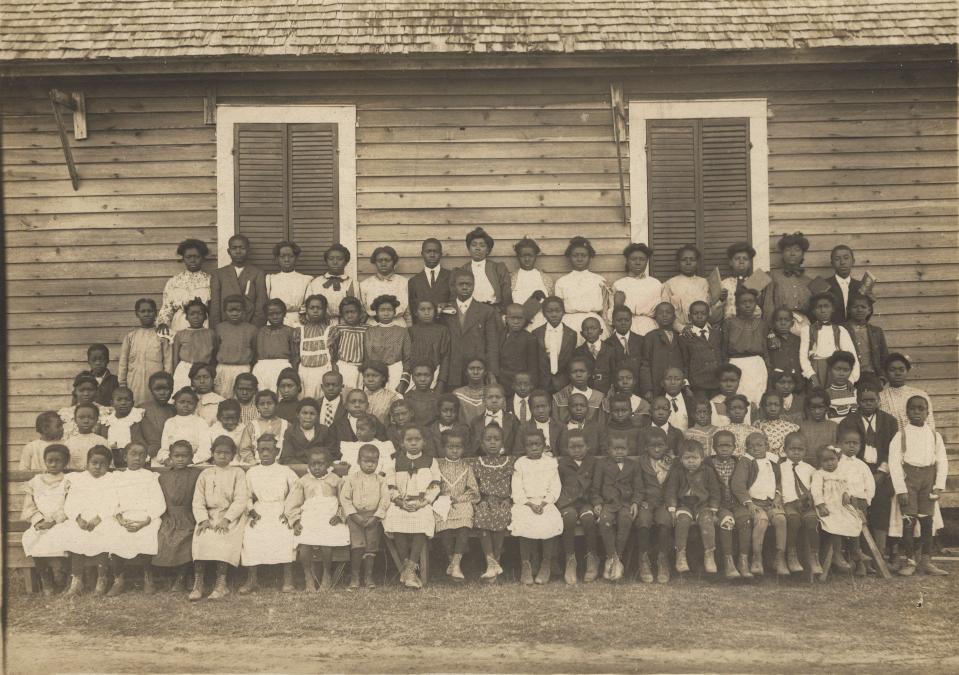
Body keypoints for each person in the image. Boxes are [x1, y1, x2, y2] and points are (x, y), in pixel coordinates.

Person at [838, 379, 898, 561]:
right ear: (858, 401)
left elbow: (892, 450)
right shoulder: (847, 422)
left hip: (881, 472)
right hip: (855, 471)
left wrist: (881, 471)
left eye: (872, 400)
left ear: (878, 400)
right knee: (856, 504)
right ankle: (858, 552)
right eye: (864, 401)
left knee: (881, 500)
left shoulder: (889, 421)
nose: (868, 404)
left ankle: (879, 551)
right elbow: (844, 452)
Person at [888, 395, 949, 576]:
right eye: (913, 408)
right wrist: (901, 489)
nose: (917, 412)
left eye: (921, 408)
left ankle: (926, 560)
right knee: (909, 521)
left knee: (927, 520)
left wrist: (939, 485)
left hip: (928, 480)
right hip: (909, 480)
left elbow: (942, 461)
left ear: (927, 412)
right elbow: (894, 463)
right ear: (907, 412)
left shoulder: (934, 435)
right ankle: (910, 561)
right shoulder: (901, 435)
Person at [189, 435, 249, 601]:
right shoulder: (205, 474)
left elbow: (241, 499)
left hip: (230, 517)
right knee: (202, 538)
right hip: (208, 516)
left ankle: (221, 584)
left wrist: (227, 519)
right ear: (212, 453)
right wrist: (202, 519)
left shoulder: (238, 472)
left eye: (227, 453)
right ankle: (198, 583)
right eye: (218, 452)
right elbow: (198, 500)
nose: (222, 456)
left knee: (223, 539)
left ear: (233, 454)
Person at [104, 442, 166, 596]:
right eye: (133, 454)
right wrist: (119, 519)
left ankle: (147, 577)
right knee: (115, 533)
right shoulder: (117, 477)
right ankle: (119, 579)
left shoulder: (151, 477)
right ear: (125, 457)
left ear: (146, 458)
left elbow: (159, 502)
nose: (137, 458)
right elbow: (112, 500)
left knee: (148, 534)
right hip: (123, 517)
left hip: (146, 517)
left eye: (141, 455)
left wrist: (145, 521)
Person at [383, 425, 441, 589]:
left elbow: (436, 484)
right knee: (396, 520)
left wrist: (424, 502)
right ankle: (409, 570)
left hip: (422, 504)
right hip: (401, 503)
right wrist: (401, 502)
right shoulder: (395, 461)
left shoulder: (431, 461)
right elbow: (389, 485)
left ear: (424, 442)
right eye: (409, 440)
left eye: (417, 439)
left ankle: (409, 568)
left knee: (423, 521)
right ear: (402, 443)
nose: (413, 443)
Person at [291, 448, 351, 592]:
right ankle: (308, 577)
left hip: (329, 517)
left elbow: (345, 500)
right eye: (313, 464)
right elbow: (294, 503)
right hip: (310, 517)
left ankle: (326, 574)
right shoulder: (303, 481)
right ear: (308, 465)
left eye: (321, 464)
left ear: (328, 464)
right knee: (304, 543)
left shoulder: (336, 480)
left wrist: (339, 515)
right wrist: (295, 520)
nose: (316, 467)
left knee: (326, 542)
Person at [731, 432, 789, 576]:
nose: (755, 449)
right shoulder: (746, 461)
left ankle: (779, 558)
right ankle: (757, 558)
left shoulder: (773, 460)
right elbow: (737, 484)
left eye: (759, 445)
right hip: (754, 502)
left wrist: (777, 496)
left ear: (767, 446)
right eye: (750, 446)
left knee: (781, 519)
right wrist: (749, 503)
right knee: (762, 520)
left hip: (770, 502)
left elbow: (780, 481)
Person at [511, 428, 563, 585]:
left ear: (544, 445)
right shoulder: (520, 464)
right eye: (530, 445)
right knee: (524, 520)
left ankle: (546, 563)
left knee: (549, 520)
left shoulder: (550, 462)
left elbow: (555, 488)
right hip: (525, 503)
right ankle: (526, 564)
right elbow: (517, 489)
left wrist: (544, 502)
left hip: (545, 502)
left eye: (537, 444)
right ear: (524, 446)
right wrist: (530, 504)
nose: (534, 448)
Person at [61, 445, 115, 596]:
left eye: (102, 464)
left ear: (108, 465)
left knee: (105, 532)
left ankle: (101, 578)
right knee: (75, 533)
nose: (98, 467)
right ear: (87, 463)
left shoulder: (111, 480)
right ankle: (77, 579)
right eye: (94, 463)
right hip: (81, 517)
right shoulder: (79, 479)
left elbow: (113, 502)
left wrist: (99, 518)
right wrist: (78, 518)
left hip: (102, 517)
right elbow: (71, 502)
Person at [20, 444, 71, 595]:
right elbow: (29, 506)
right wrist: (38, 521)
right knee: (31, 537)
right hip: (41, 522)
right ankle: (45, 578)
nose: (54, 464)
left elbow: (70, 504)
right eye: (50, 461)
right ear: (45, 461)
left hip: (61, 521)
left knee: (64, 536)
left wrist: (55, 521)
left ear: (65, 462)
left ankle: (62, 575)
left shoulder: (68, 481)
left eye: (58, 461)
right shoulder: (35, 481)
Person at [153, 440, 203, 592]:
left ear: (191, 457)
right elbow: (161, 499)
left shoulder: (196, 474)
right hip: (170, 515)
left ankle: (183, 576)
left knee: (188, 536)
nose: (180, 459)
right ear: (171, 456)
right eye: (177, 455)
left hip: (189, 514)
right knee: (165, 536)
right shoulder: (164, 476)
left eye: (185, 456)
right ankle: (179, 574)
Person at [339, 445, 390, 590]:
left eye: (373, 461)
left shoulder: (381, 480)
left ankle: (368, 576)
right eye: (366, 461)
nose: (369, 464)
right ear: (358, 461)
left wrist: (376, 516)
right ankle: (355, 576)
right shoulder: (351, 479)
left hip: (372, 517)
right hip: (355, 517)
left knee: (371, 547)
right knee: (358, 546)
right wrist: (354, 515)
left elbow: (385, 499)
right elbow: (345, 498)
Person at [665, 439, 720, 574]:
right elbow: (671, 491)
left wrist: (714, 509)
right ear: (681, 459)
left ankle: (709, 554)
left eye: (694, 458)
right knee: (682, 521)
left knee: (707, 522)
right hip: (684, 505)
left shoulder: (707, 471)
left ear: (702, 458)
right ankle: (681, 554)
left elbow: (715, 491)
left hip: (702, 505)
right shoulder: (677, 471)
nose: (691, 461)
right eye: (687, 458)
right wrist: (672, 508)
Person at [812, 446, 868, 574]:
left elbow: (847, 486)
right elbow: (815, 491)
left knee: (854, 521)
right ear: (820, 463)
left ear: (837, 459)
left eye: (832, 459)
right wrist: (821, 505)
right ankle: (837, 554)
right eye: (825, 461)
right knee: (835, 524)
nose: (830, 463)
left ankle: (855, 552)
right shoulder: (819, 474)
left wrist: (846, 493)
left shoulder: (841, 474)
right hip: (828, 507)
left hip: (841, 506)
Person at [435, 430, 480, 581]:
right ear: (443, 448)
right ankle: (451, 561)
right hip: (442, 501)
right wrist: (443, 498)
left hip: (461, 502)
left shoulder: (467, 467)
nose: (454, 450)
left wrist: (459, 498)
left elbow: (473, 490)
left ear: (464, 448)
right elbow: (433, 486)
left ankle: (456, 563)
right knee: (445, 524)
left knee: (465, 522)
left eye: (458, 447)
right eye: (450, 447)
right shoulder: (437, 466)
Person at [592, 435, 639, 582]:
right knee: (604, 521)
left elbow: (639, 489)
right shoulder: (602, 465)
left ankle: (616, 559)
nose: (619, 452)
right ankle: (612, 557)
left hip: (625, 503)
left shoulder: (633, 465)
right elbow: (595, 488)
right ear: (609, 450)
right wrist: (597, 503)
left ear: (628, 450)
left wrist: (636, 502)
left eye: (623, 449)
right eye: (615, 449)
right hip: (608, 503)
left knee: (626, 519)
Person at [444, 268, 501, 389]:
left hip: (477, 371)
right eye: (461, 284)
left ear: (474, 286)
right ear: (454, 286)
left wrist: (491, 372)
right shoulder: (445, 310)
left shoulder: (486, 311)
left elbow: (492, 344)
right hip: (451, 369)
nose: (465, 287)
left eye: (468, 284)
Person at [556, 430, 600, 584]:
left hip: (586, 501)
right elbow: (558, 487)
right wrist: (561, 503)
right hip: (567, 502)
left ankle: (592, 558)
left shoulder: (592, 463)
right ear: (567, 448)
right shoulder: (562, 464)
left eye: (580, 446)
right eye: (572, 447)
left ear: (587, 447)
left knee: (588, 519)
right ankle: (570, 559)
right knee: (569, 519)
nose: (576, 450)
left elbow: (595, 487)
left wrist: (597, 503)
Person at [706, 430, 751, 579]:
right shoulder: (708, 463)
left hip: (737, 503)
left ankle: (743, 561)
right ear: (714, 447)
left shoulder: (740, 462)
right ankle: (728, 561)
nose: (724, 449)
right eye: (720, 446)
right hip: (718, 505)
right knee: (727, 521)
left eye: (728, 445)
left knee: (745, 520)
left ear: (734, 447)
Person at [472, 424, 514, 582]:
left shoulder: (509, 462)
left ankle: (496, 560)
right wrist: (481, 500)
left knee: (501, 514)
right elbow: (474, 486)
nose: (492, 442)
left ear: (502, 443)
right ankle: (490, 561)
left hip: (503, 501)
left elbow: (514, 484)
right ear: (482, 444)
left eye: (496, 439)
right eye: (488, 439)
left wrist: (509, 499)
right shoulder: (478, 462)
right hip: (485, 501)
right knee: (482, 515)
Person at [779, 432, 822, 575]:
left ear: (805, 450)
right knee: (793, 519)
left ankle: (814, 557)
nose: (796, 452)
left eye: (800, 449)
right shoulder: (780, 468)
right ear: (784, 450)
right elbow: (776, 486)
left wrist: (811, 500)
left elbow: (816, 487)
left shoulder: (810, 469)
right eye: (792, 449)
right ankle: (792, 555)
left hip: (806, 504)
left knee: (812, 521)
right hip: (789, 503)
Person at [634, 428, 673, 584]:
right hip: (646, 501)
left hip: (663, 502)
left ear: (666, 446)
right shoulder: (641, 462)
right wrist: (639, 501)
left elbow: (672, 486)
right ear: (645, 447)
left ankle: (662, 560)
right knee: (643, 521)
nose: (657, 449)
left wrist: (671, 505)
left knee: (664, 522)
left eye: (660, 445)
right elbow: (637, 485)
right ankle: (643, 560)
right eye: (652, 446)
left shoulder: (670, 462)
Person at [836, 427, 877, 575]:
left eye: (855, 443)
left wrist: (867, 500)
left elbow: (870, 485)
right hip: (843, 503)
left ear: (860, 446)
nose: (852, 446)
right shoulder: (837, 464)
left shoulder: (862, 465)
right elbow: (835, 483)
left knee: (860, 526)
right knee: (849, 525)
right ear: (840, 444)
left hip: (860, 502)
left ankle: (861, 561)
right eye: (848, 443)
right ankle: (854, 555)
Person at [554, 236, 613, 340]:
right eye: (575, 255)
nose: (579, 259)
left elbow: (605, 308)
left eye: (583, 255)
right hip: (569, 324)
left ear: (590, 257)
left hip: (594, 323)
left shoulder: (600, 280)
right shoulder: (561, 282)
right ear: (570, 257)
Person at [119, 298, 172, 405]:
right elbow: (123, 363)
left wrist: (166, 381)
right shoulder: (130, 337)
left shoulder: (161, 336)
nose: (146, 314)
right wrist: (122, 384)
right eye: (143, 311)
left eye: (150, 311)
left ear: (155, 313)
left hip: (156, 382)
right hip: (135, 381)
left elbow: (168, 361)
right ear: (137, 314)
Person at [801, 293, 860, 389]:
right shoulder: (807, 330)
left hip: (836, 370)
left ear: (832, 309)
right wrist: (811, 375)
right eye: (818, 307)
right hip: (815, 369)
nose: (823, 310)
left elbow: (852, 355)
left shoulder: (840, 330)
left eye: (826, 306)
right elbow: (803, 357)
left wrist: (852, 378)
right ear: (813, 311)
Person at [210, 233, 267, 327]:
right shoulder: (219, 274)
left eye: (242, 248)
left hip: (249, 325)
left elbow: (261, 303)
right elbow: (215, 305)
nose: (238, 251)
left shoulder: (257, 273)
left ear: (248, 251)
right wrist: (217, 328)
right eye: (234, 248)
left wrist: (254, 327)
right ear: (229, 251)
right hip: (225, 326)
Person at [157, 238, 212, 337]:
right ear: (183, 258)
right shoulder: (174, 282)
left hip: (202, 326)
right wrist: (163, 323)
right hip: (179, 326)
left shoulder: (210, 281)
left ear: (203, 258)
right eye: (188, 257)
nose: (192, 260)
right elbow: (166, 308)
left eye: (196, 257)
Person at [722, 288, 768, 405]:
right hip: (737, 364)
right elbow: (724, 347)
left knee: (757, 399)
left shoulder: (762, 324)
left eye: (751, 302)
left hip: (757, 364)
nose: (747, 305)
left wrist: (768, 366)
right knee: (739, 400)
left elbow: (765, 348)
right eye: (743, 302)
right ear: (737, 304)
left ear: (755, 304)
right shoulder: (729, 323)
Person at [662, 244, 723, 332]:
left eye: (692, 260)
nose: (688, 262)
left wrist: (720, 300)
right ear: (678, 263)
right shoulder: (669, 284)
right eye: (684, 260)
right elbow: (666, 312)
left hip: (703, 330)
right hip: (679, 331)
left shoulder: (704, 283)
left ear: (697, 263)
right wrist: (681, 328)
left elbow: (711, 312)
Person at [763, 232, 813, 335]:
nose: (792, 253)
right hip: (777, 327)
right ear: (782, 253)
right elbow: (746, 288)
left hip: (803, 328)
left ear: (803, 254)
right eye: (788, 249)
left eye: (797, 250)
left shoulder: (810, 281)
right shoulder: (769, 275)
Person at [212, 295, 258, 398]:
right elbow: (215, 349)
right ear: (224, 311)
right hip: (223, 369)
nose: (234, 313)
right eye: (230, 310)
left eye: (238, 310)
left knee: (242, 398)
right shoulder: (219, 328)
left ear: (244, 311)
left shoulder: (251, 329)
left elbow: (254, 351)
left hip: (243, 369)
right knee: (222, 396)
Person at [612, 242, 661, 336]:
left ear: (647, 261)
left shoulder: (655, 284)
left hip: (650, 327)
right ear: (627, 261)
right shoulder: (619, 284)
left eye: (642, 259)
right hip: (626, 328)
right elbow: (612, 316)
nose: (638, 262)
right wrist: (618, 304)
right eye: (633, 259)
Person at [366, 294, 412, 393]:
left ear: (394, 312)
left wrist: (403, 380)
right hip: (375, 372)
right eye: (382, 310)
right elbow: (367, 356)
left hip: (396, 371)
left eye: (389, 310)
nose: (386, 313)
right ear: (377, 312)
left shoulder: (402, 331)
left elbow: (407, 358)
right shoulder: (370, 331)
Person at [458, 227, 512, 312]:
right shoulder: (462, 270)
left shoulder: (498, 268)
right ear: (469, 248)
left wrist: (502, 313)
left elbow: (506, 295)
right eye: (474, 245)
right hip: (470, 312)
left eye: (482, 245)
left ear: (488, 250)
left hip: (494, 311)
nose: (477, 248)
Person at [880, 352, 936, 432]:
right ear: (885, 373)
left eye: (901, 369)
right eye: (892, 370)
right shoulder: (880, 398)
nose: (897, 373)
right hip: (892, 442)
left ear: (907, 371)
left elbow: (930, 424)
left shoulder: (920, 394)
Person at [678, 300, 724, 396]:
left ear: (708, 315)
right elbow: (684, 362)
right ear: (689, 317)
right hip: (697, 385)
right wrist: (686, 386)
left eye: (703, 313)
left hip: (717, 383)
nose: (699, 316)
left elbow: (723, 357)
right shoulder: (685, 337)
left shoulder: (717, 334)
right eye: (695, 313)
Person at [639, 303, 684, 399]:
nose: (664, 315)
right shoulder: (650, 337)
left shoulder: (680, 337)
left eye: (668, 312)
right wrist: (648, 389)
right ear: (655, 317)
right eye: (660, 313)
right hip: (657, 387)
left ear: (674, 317)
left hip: (677, 388)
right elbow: (645, 365)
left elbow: (686, 362)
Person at [533, 296, 578, 394]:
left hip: (564, 382)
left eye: (558, 311)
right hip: (542, 382)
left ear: (563, 312)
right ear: (544, 314)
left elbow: (571, 358)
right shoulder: (536, 333)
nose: (554, 314)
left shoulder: (571, 334)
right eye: (549, 311)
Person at [252, 299, 298, 394]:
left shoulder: (290, 331)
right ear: (266, 315)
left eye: (278, 313)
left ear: (284, 313)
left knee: (281, 395)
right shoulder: (260, 332)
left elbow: (295, 355)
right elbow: (254, 353)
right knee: (262, 395)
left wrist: (293, 373)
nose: (275, 316)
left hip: (283, 367)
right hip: (261, 369)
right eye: (271, 314)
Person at [171, 300, 217, 394]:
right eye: (192, 314)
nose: (196, 317)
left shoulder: (211, 333)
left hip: (204, 370)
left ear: (205, 317)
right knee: (184, 394)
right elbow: (175, 358)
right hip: (184, 370)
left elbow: (214, 355)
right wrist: (175, 373)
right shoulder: (180, 335)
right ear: (187, 317)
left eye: (200, 313)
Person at [158, 388, 212, 465]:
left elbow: (205, 449)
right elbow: (164, 448)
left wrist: (191, 461)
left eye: (190, 403)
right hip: (174, 462)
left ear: (195, 405)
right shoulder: (170, 422)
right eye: (182, 402)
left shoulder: (201, 422)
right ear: (175, 404)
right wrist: (167, 460)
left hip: (194, 463)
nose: (186, 405)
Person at [305, 244, 356, 325]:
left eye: (340, 259)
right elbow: (307, 306)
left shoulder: (353, 284)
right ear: (326, 261)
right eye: (331, 259)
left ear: (346, 262)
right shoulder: (315, 283)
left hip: (346, 324)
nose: (335, 262)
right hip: (321, 324)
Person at [266, 241, 312, 328]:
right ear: (277, 259)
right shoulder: (270, 279)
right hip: (275, 321)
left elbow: (308, 303)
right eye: (282, 256)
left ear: (296, 258)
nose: (286, 260)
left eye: (290, 256)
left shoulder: (306, 280)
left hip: (297, 322)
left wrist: (303, 313)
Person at [408, 299, 452, 391]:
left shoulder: (442, 331)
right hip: (415, 377)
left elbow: (445, 357)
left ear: (435, 311)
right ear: (416, 312)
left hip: (435, 375)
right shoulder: (411, 331)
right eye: (422, 310)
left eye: (429, 309)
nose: (426, 313)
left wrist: (441, 381)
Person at [360, 246, 410, 326]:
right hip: (373, 326)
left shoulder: (404, 282)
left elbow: (408, 313)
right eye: (380, 260)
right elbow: (362, 313)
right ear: (375, 262)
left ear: (394, 262)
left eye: (387, 260)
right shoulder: (365, 284)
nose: (383, 263)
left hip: (398, 325)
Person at [131, 372, 175, 462]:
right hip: (147, 456)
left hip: (171, 456)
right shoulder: (141, 410)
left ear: (172, 389)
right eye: (157, 389)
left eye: (166, 389)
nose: (162, 393)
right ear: (150, 390)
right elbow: (136, 436)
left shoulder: (175, 410)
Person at [510, 236, 553, 330]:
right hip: (519, 326)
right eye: (523, 256)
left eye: (530, 256)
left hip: (541, 325)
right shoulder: (511, 279)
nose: (527, 259)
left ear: (535, 256)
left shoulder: (546, 279)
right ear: (518, 257)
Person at [297, 294, 333, 400]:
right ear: (306, 310)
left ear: (325, 310)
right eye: (312, 308)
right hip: (304, 374)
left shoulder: (330, 331)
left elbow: (333, 356)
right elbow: (296, 356)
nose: (315, 311)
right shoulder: (300, 331)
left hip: (323, 372)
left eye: (319, 308)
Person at [328, 296, 369, 392]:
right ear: (342, 314)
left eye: (353, 312)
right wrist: (334, 365)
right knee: (344, 392)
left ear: (359, 313)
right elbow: (333, 349)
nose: (350, 315)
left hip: (361, 367)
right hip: (343, 366)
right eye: (346, 313)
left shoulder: (367, 329)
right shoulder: (339, 329)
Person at [237, 390, 288, 464]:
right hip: (258, 464)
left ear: (276, 405)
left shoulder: (285, 424)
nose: (266, 407)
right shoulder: (252, 426)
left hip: (281, 464)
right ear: (257, 407)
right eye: (262, 404)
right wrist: (253, 462)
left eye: (269, 403)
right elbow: (244, 449)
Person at [500, 304, 540, 395]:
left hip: (519, 384)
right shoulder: (501, 334)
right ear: (506, 319)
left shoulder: (529, 338)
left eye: (520, 318)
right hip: (501, 381)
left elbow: (533, 367)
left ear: (525, 319)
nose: (516, 322)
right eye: (512, 318)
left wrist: (531, 387)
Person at [408, 238, 452, 321]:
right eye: (428, 251)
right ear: (422, 254)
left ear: (441, 254)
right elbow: (413, 310)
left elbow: (457, 303)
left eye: (436, 252)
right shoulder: (414, 281)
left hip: (446, 328)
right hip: (423, 330)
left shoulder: (451, 276)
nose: (432, 255)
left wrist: (447, 305)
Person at [845, 293, 888, 379]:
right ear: (848, 309)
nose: (859, 310)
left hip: (871, 374)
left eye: (863, 307)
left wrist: (882, 377)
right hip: (848, 376)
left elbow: (884, 356)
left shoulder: (876, 331)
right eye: (855, 307)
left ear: (869, 310)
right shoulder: (841, 329)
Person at [281, 398, 334, 465]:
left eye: (312, 414)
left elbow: (331, 453)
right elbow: (287, 457)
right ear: (298, 415)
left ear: (317, 416)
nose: (308, 417)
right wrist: (305, 467)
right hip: (298, 469)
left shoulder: (324, 431)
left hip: (319, 467)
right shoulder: (290, 432)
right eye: (304, 413)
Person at [605, 305, 644, 391]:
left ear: (631, 321)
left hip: (639, 389)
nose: (623, 323)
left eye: (627, 320)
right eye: (619, 320)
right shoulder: (606, 344)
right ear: (613, 321)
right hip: (617, 390)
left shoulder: (641, 341)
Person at [719, 242, 762, 320]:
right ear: (730, 262)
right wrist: (721, 299)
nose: (741, 261)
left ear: (750, 263)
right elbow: (716, 314)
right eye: (737, 258)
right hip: (730, 325)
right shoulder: (724, 284)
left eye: (745, 259)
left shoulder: (757, 281)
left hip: (752, 325)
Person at [572, 316, 614, 394]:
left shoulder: (610, 350)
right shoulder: (577, 352)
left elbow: (614, 372)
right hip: (586, 392)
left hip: (606, 392)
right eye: (586, 329)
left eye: (593, 328)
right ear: (581, 333)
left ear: (601, 331)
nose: (589, 331)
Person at [798, 388, 839, 467]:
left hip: (829, 468)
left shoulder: (834, 426)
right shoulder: (802, 427)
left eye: (821, 407)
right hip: (807, 467)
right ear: (808, 408)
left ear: (827, 407)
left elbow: (838, 450)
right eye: (813, 408)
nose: (817, 411)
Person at [516, 390, 562, 456]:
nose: (541, 411)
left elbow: (565, 452)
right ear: (530, 409)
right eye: (536, 407)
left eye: (544, 406)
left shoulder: (560, 427)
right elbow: (518, 453)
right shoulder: (523, 429)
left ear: (550, 407)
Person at [754, 391, 800, 458]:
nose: (773, 409)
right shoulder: (757, 425)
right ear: (763, 407)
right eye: (769, 405)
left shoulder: (791, 428)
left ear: (781, 407)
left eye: (776, 405)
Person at [64, 403, 109, 470]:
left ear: (96, 420)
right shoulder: (69, 443)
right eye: (81, 418)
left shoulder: (102, 442)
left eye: (90, 418)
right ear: (75, 419)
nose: (86, 421)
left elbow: (108, 465)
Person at [766, 307, 802, 390]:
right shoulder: (769, 340)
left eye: (786, 320)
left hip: (795, 381)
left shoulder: (798, 340)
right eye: (779, 320)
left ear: (792, 323)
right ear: (773, 323)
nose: (783, 323)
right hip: (776, 382)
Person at [104, 387, 143, 463]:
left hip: (134, 461)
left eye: (127, 400)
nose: (123, 403)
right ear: (112, 403)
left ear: (133, 403)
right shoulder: (106, 421)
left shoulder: (138, 419)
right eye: (119, 400)